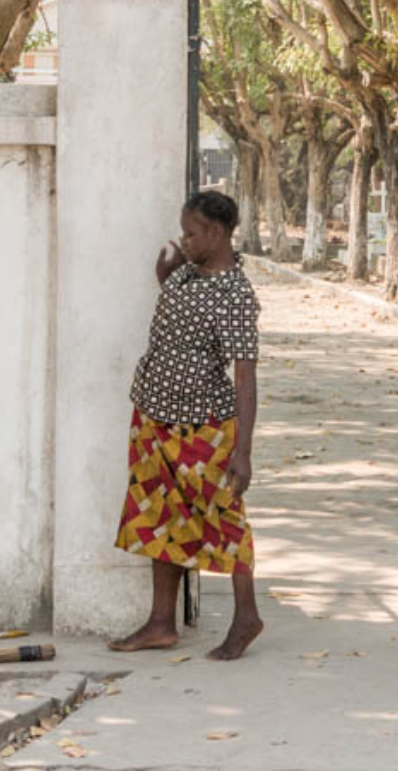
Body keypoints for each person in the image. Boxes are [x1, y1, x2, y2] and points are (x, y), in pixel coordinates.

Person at [108, 191, 263, 661]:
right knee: (159, 515)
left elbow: (245, 374)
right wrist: (169, 268)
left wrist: (242, 450)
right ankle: (160, 623)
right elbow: (174, 313)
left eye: (192, 233)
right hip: (154, 415)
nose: (184, 239)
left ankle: (246, 616)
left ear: (216, 234)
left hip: (203, 426)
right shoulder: (186, 275)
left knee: (223, 516)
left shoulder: (235, 295)